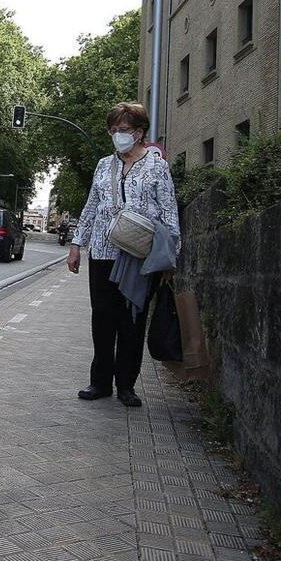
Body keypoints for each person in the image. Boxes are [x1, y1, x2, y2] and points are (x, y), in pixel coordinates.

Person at [66, 103, 179, 407]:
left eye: (124, 130)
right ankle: (99, 382)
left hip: (140, 257)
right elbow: (91, 207)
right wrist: (77, 244)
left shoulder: (157, 167)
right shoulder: (104, 165)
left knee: (132, 322)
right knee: (102, 320)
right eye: (113, 130)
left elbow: (169, 211)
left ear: (140, 132)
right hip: (102, 253)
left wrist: (171, 256)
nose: (118, 135)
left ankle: (126, 385)